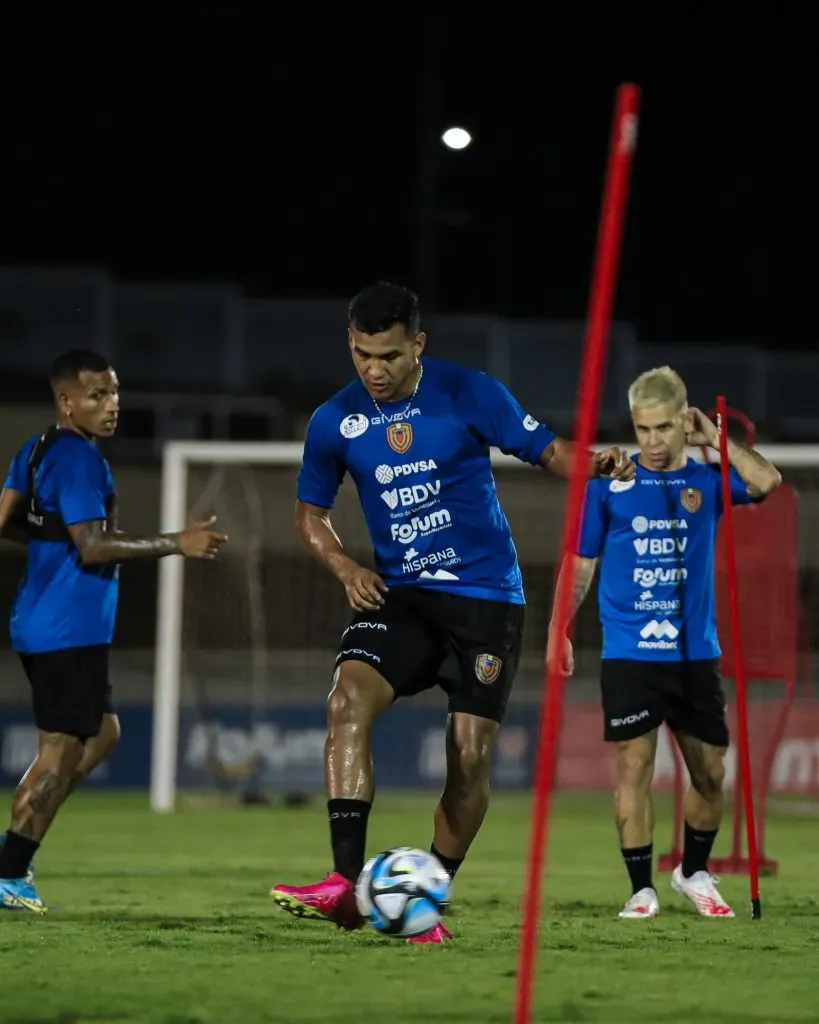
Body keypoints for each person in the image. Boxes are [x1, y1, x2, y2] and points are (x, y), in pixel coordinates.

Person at [270, 281, 635, 942]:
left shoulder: (471, 393)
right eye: (360, 355)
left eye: (387, 356)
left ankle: (424, 899)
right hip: (402, 597)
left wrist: (596, 462)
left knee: (468, 756)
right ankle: (346, 885)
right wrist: (346, 566)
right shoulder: (335, 421)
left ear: (418, 345)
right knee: (345, 700)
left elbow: (550, 451)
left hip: (485, 600)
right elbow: (308, 516)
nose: (372, 371)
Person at [547, 365, 781, 920]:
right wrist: (559, 628)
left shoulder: (705, 480)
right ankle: (640, 888)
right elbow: (579, 563)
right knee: (635, 767)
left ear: (684, 421)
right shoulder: (609, 485)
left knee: (710, 773)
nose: (650, 441)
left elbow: (768, 482)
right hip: (629, 653)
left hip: (696, 654)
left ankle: (693, 872)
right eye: (641, 428)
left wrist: (717, 440)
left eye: (662, 428)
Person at [0, 349, 228, 913]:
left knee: (103, 735)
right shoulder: (80, 460)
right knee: (59, 754)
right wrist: (178, 541)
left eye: (115, 392)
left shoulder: (37, 449)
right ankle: (9, 870)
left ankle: (18, 841)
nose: (111, 405)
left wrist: (52, 545)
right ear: (66, 401)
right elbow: (94, 544)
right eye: (96, 395)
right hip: (66, 629)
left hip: (44, 621)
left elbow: (7, 520)